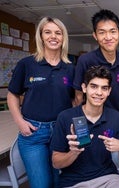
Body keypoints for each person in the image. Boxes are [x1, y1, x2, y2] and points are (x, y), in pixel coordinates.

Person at [7, 17, 75, 188]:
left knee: (61, 182)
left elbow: (76, 100)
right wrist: (20, 122)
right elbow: (12, 94)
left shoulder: (71, 68)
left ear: (63, 37)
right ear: (41, 36)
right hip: (34, 134)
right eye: (48, 32)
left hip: (61, 132)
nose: (53, 36)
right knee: (41, 184)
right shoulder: (27, 64)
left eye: (58, 33)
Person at [50, 66, 119, 188]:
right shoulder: (65, 117)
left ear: (109, 91)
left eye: (104, 88)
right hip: (74, 182)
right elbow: (56, 163)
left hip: (108, 178)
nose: (99, 92)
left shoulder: (115, 117)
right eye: (94, 86)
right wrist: (74, 152)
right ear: (84, 88)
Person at [73, 9, 119, 111]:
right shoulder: (85, 60)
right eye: (102, 32)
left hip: (118, 118)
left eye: (112, 31)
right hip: (92, 120)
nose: (108, 37)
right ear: (95, 36)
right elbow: (78, 96)